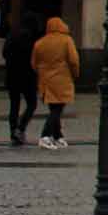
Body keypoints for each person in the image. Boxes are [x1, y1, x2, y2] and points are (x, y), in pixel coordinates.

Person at [31, 15, 79, 151]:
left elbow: (34, 63)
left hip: (45, 80)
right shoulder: (66, 40)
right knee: (57, 110)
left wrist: (42, 72)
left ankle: (58, 136)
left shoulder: (40, 43)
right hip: (62, 80)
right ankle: (45, 136)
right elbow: (74, 60)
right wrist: (75, 74)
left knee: (54, 108)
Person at [2, 11, 41, 147]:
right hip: (27, 77)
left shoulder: (12, 34)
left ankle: (13, 132)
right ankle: (21, 127)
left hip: (12, 76)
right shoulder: (32, 37)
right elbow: (35, 58)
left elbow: (4, 53)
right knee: (32, 104)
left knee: (14, 105)